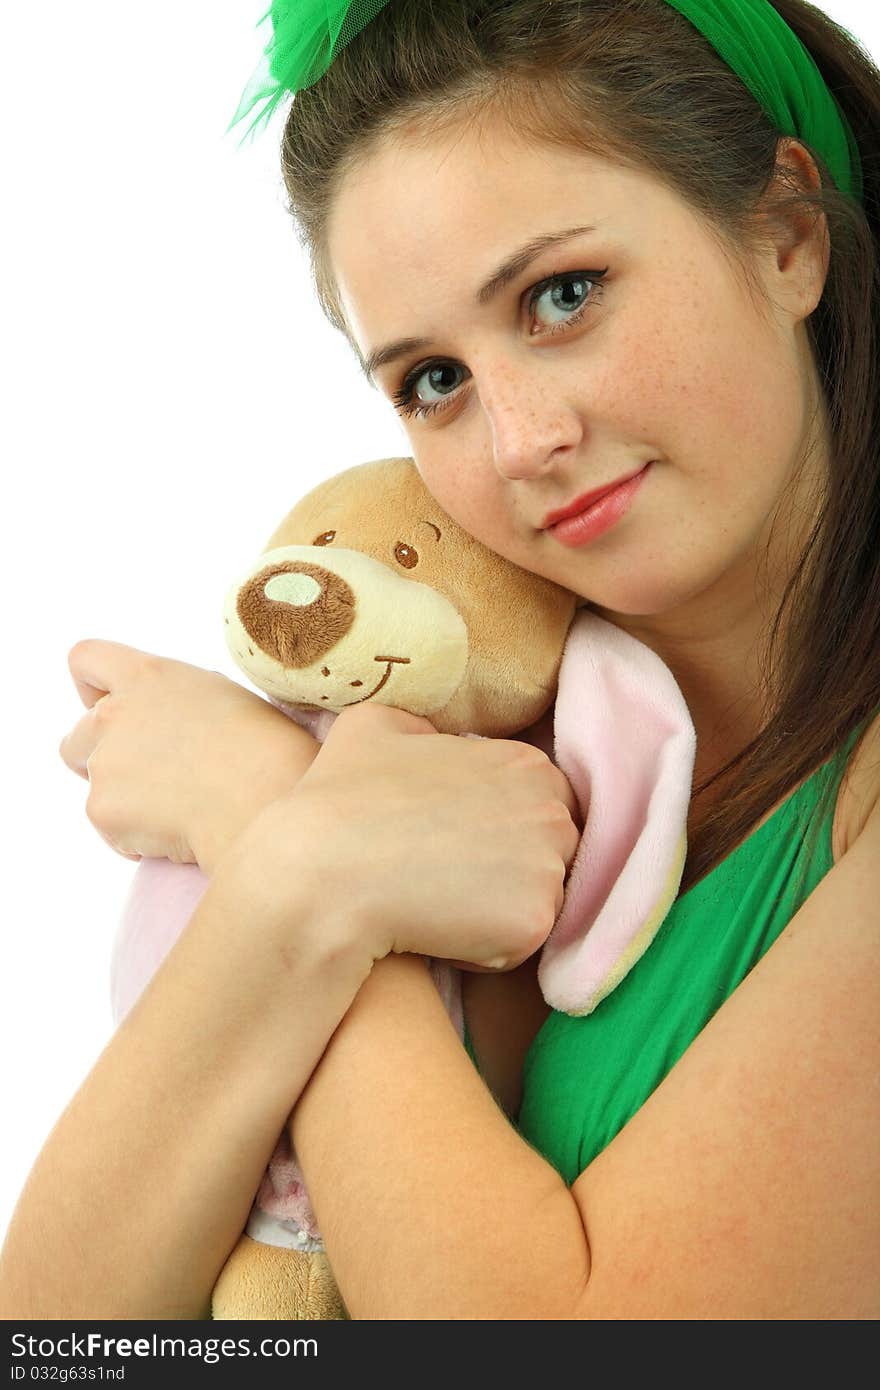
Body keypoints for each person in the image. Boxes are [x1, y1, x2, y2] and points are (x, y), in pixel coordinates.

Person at [1, 0, 878, 1320]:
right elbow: (62, 1341)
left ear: (787, 238)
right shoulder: (478, 752)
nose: (520, 438)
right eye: (432, 381)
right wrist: (307, 867)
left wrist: (274, 825)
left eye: (563, 296)